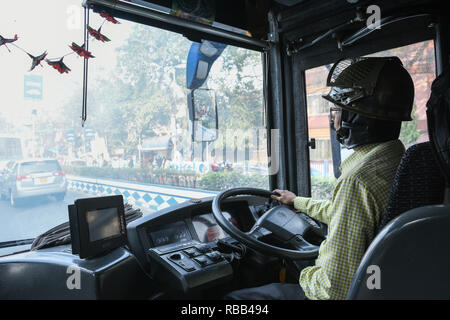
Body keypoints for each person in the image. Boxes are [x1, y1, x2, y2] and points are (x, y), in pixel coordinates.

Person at [226, 56, 415, 300]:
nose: (332, 119)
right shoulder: (398, 159)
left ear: (355, 117)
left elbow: (333, 290)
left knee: (235, 300)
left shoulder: (358, 180)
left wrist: (304, 274)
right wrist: (297, 202)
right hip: (383, 287)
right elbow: (347, 213)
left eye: (336, 110)